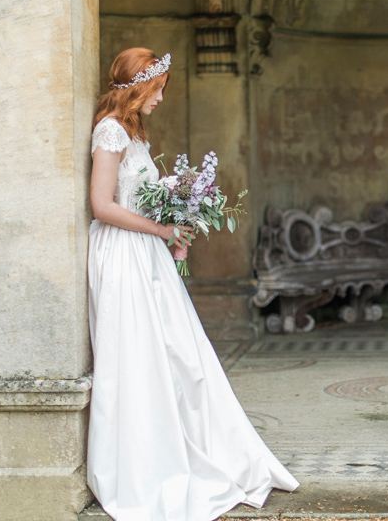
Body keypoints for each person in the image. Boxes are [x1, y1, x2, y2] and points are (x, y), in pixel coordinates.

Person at [87, 47, 299, 520]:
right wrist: (164, 228)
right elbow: (102, 204)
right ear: (140, 86)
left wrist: (174, 212)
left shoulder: (133, 133)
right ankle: (145, 465)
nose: (162, 98)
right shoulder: (109, 131)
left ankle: (192, 444)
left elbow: (138, 194)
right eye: (159, 89)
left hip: (145, 253)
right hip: (123, 255)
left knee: (179, 354)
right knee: (138, 354)